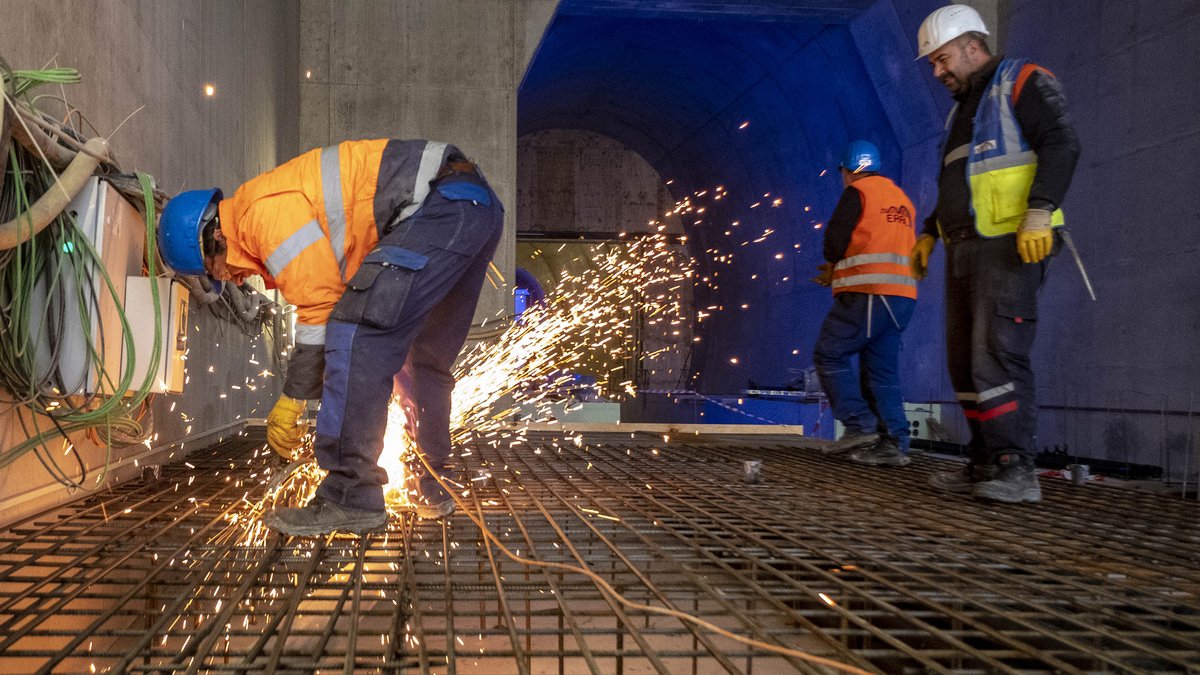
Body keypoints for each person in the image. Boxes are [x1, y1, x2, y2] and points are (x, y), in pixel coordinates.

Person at [158, 139, 504, 534]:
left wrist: (292, 398)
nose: (226, 278)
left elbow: (324, 308)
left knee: (356, 329)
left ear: (213, 236)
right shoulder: (264, 212)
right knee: (421, 357)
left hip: (439, 209)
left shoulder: (260, 215)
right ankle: (431, 485)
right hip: (476, 208)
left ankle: (350, 495)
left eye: (212, 269)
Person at [910, 5, 1080, 502]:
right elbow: (957, 183)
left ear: (971, 45)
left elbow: (1061, 142)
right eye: (933, 65)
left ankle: (1016, 468)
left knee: (997, 354)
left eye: (942, 60)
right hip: (965, 246)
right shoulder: (964, 108)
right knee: (964, 360)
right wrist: (929, 232)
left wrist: (1040, 210)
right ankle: (986, 460)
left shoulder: (1020, 80)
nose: (938, 72)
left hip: (1009, 243)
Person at [812, 140, 918, 466]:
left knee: (829, 353)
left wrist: (833, 265)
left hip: (867, 292)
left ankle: (859, 424)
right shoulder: (901, 199)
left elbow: (834, 241)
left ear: (846, 171)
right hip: (902, 299)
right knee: (881, 372)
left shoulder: (857, 193)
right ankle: (894, 443)